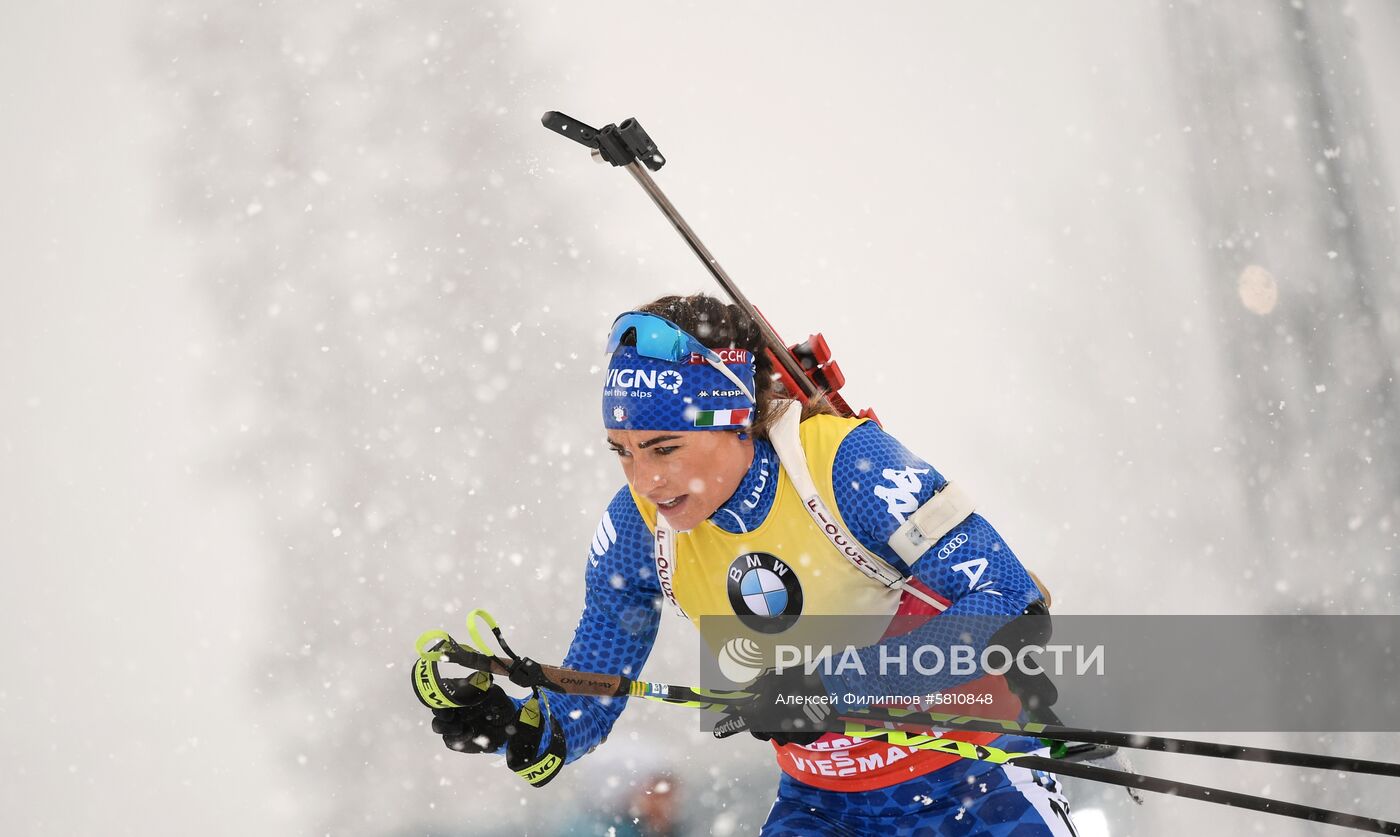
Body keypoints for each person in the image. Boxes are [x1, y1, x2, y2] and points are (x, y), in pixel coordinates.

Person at [427, 294, 1081, 835]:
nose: (646, 478)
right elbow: (600, 673)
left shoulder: (843, 465)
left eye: (664, 447)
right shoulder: (638, 527)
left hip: (972, 781)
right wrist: (523, 724)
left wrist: (832, 687)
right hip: (825, 806)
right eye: (622, 451)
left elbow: (1007, 599)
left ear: (735, 419)